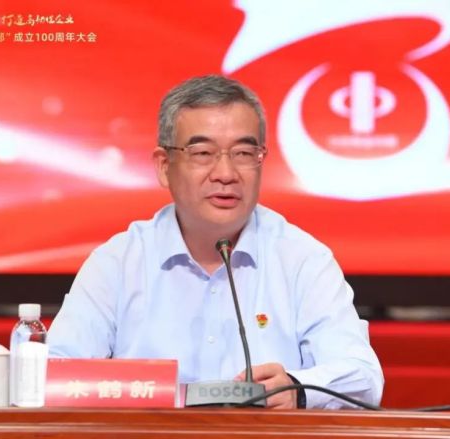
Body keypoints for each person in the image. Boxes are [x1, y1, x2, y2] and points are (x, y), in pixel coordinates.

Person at [48, 74, 383, 409]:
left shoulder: (302, 260)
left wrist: (297, 389)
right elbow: (53, 373)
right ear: (164, 166)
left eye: (243, 153)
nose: (226, 173)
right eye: (203, 153)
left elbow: (363, 377)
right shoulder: (118, 263)